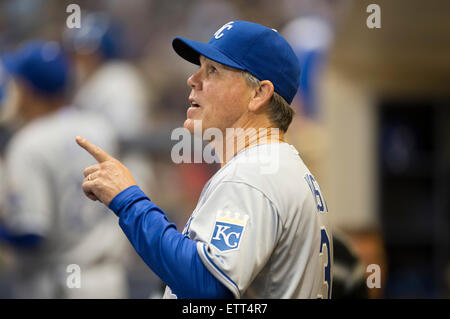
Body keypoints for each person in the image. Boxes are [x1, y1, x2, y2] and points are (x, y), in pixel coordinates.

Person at [76, 20, 333, 299]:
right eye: (199, 67)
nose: (193, 80)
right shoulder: (276, 166)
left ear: (259, 94)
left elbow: (208, 288)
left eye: (213, 71)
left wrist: (128, 200)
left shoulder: (253, 174)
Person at [0, 40, 128, 298]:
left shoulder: (29, 143)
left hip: (60, 284)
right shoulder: (100, 127)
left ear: (26, 89)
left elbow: (31, 233)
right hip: (109, 278)